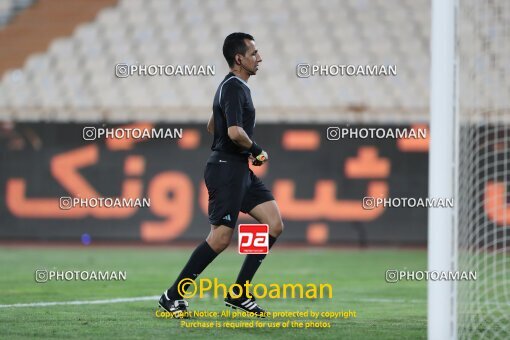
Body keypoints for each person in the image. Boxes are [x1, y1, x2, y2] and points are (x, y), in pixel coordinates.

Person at [158, 32, 284, 318]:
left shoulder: (229, 87)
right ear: (239, 59)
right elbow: (233, 132)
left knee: (274, 224)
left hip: (238, 169)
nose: (259, 57)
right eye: (254, 53)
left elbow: (211, 124)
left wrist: (241, 150)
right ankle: (172, 295)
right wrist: (257, 150)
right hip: (227, 169)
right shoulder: (234, 88)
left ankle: (239, 293)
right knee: (219, 240)